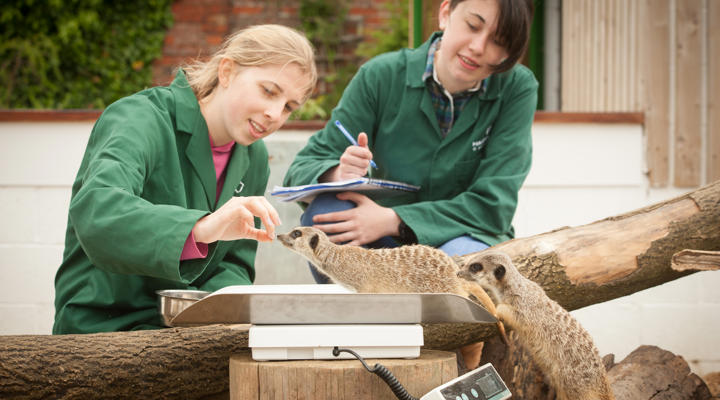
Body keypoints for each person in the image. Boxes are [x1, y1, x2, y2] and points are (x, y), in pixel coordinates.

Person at [282, 0, 535, 368]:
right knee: (326, 219)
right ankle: (373, 350)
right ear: (446, 13)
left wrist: (394, 220)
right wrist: (339, 171)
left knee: (474, 272)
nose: (479, 47)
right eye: (473, 25)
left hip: (459, 240)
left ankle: (460, 365)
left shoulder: (516, 88)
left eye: (498, 40)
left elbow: (493, 202)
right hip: (380, 253)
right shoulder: (380, 75)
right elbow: (301, 167)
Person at [53, 24, 317, 334]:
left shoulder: (254, 157)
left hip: (188, 332)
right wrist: (199, 228)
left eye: (288, 107)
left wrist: (227, 309)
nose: (275, 113)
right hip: (101, 325)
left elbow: (234, 264)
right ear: (227, 72)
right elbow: (98, 212)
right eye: (268, 91)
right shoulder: (139, 117)